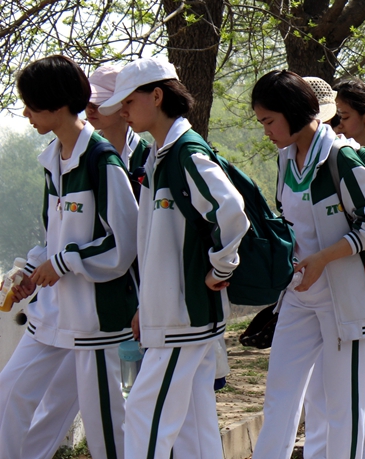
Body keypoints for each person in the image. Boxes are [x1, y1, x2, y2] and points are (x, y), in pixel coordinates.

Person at [98, 58, 247, 459]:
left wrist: (221, 268)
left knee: (145, 420)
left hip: (184, 317)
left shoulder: (185, 152)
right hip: (175, 316)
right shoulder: (160, 155)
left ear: (157, 96)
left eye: (128, 102)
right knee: (194, 432)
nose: (123, 112)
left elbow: (231, 212)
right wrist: (147, 307)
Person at [250, 70, 365, 459]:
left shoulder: (341, 157)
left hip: (344, 300)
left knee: (341, 406)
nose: (266, 131)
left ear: (294, 113)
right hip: (299, 296)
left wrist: (324, 258)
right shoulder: (285, 160)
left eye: (269, 121)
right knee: (280, 394)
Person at [0, 56, 138, 459]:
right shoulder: (52, 159)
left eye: (30, 104)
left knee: (105, 432)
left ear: (57, 105)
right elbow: (55, 237)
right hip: (51, 315)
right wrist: (30, 268)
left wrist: (60, 264)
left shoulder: (102, 160)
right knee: (9, 394)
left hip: (96, 322)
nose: (24, 114)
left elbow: (122, 244)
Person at [86, 64, 151, 175]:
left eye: (99, 102)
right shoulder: (84, 152)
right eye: (87, 102)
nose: (90, 109)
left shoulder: (148, 155)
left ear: (122, 102)